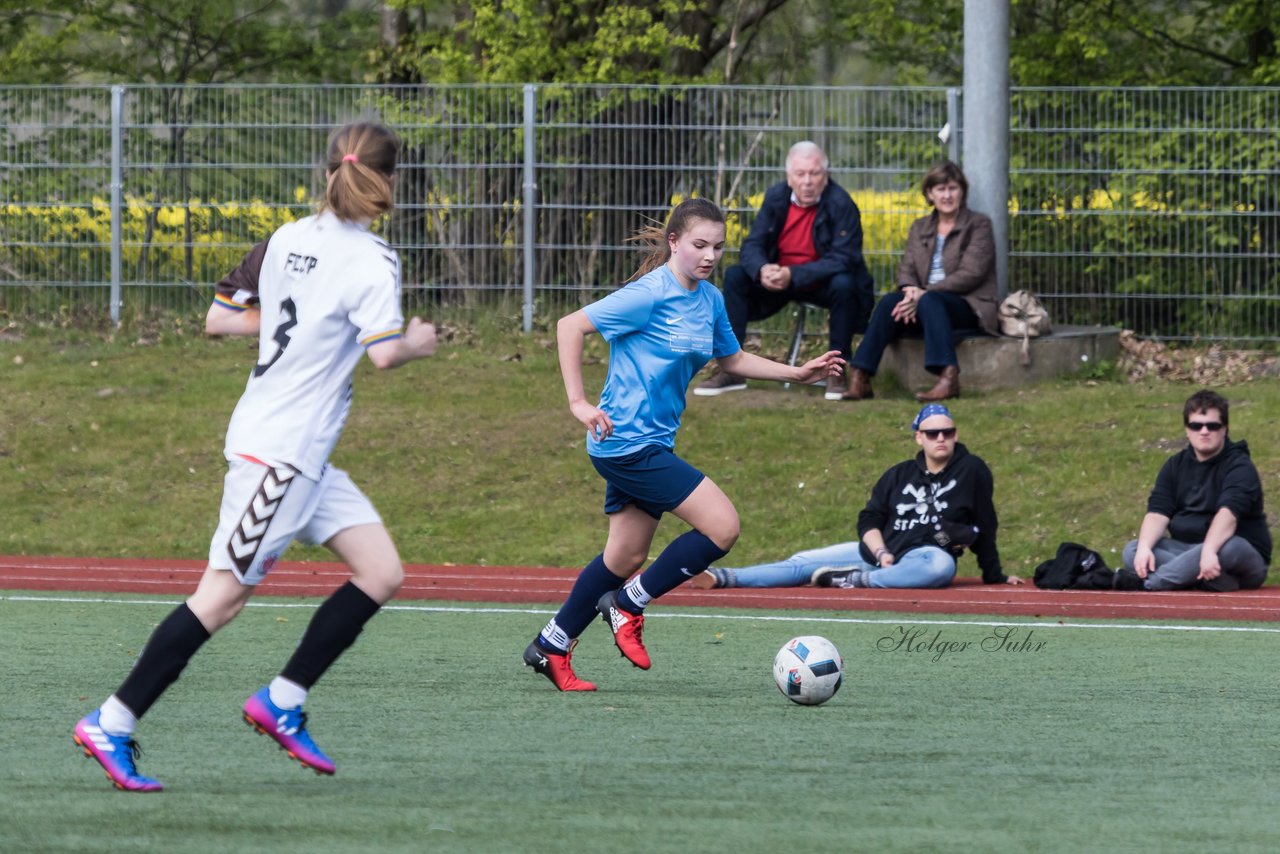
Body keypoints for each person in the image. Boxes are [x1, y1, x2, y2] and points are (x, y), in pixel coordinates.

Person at [72, 122, 438, 792]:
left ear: (328, 168)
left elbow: (218, 317)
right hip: (281, 456)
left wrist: (296, 326)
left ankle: (283, 700)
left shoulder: (286, 238)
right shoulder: (375, 258)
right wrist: (418, 340)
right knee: (221, 598)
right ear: (389, 180)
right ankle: (112, 721)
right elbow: (385, 351)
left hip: (299, 452)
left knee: (381, 571)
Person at [523, 198, 844, 691]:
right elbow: (570, 326)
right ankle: (628, 605)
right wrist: (578, 402)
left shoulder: (710, 300)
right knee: (722, 527)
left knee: (623, 558)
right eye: (699, 245)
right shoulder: (649, 294)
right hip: (624, 442)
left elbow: (731, 359)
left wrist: (796, 373)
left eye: (718, 246)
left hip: (652, 443)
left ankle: (551, 644)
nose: (710, 255)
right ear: (674, 242)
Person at [692, 404, 1024, 590]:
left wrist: (993, 574)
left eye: (947, 432)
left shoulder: (972, 469)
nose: (941, 439)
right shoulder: (898, 473)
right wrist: (880, 553)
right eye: (932, 433)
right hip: (881, 553)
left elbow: (985, 522)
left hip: (923, 555)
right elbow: (870, 518)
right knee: (803, 561)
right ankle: (723, 577)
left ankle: (853, 581)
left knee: (941, 566)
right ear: (918, 437)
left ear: (956, 435)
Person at [693, 140, 873, 400]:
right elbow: (752, 244)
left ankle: (836, 369)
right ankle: (732, 368)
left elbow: (844, 258)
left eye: (815, 173)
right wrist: (762, 269)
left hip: (822, 285)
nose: (808, 181)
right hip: (778, 282)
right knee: (735, 276)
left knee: (845, 282)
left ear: (826, 176)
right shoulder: (776, 197)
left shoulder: (842, 204)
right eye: (800, 174)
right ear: (790, 177)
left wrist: (794, 274)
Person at [842, 160, 997, 403]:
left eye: (953, 189)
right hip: (923, 301)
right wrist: (909, 291)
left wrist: (924, 293)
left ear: (962, 192)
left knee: (932, 301)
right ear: (929, 194)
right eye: (940, 190)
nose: (947, 195)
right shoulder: (920, 227)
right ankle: (860, 376)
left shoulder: (978, 225)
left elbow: (972, 273)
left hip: (967, 304)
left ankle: (948, 378)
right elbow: (906, 269)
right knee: (888, 304)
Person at [1115, 389, 1270, 592]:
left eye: (1212, 426)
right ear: (1187, 430)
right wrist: (1144, 549)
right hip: (1186, 550)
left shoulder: (1240, 466)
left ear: (1225, 429)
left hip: (1234, 552)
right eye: (1196, 425)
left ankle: (1150, 584)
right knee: (1133, 549)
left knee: (1230, 546)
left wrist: (1209, 551)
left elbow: (1228, 515)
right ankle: (1206, 579)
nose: (1204, 431)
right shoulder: (1174, 465)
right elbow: (1158, 512)